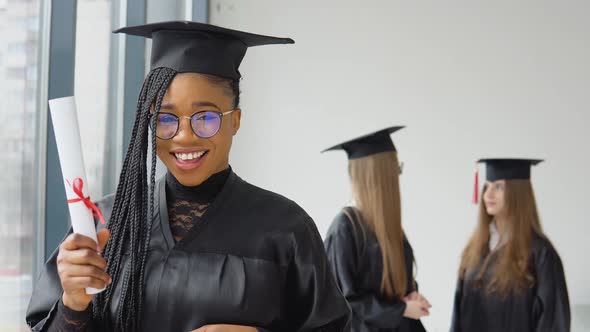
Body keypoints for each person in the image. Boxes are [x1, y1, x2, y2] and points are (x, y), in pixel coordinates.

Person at [26, 21, 351, 332]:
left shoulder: (285, 229)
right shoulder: (104, 226)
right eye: (166, 118)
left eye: (206, 117)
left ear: (235, 121)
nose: (183, 136)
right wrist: (73, 304)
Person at [323, 126, 429, 332]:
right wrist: (401, 310)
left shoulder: (388, 225)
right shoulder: (345, 228)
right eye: (395, 168)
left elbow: (395, 283)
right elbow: (342, 304)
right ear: (378, 175)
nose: (397, 175)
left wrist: (411, 295)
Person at [451, 158, 570, 332]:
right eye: (487, 186)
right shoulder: (474, 249)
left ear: (518, 194)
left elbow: (553, 323)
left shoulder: (541, 254)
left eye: (498, 187)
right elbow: (458, 315)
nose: (488, 195)